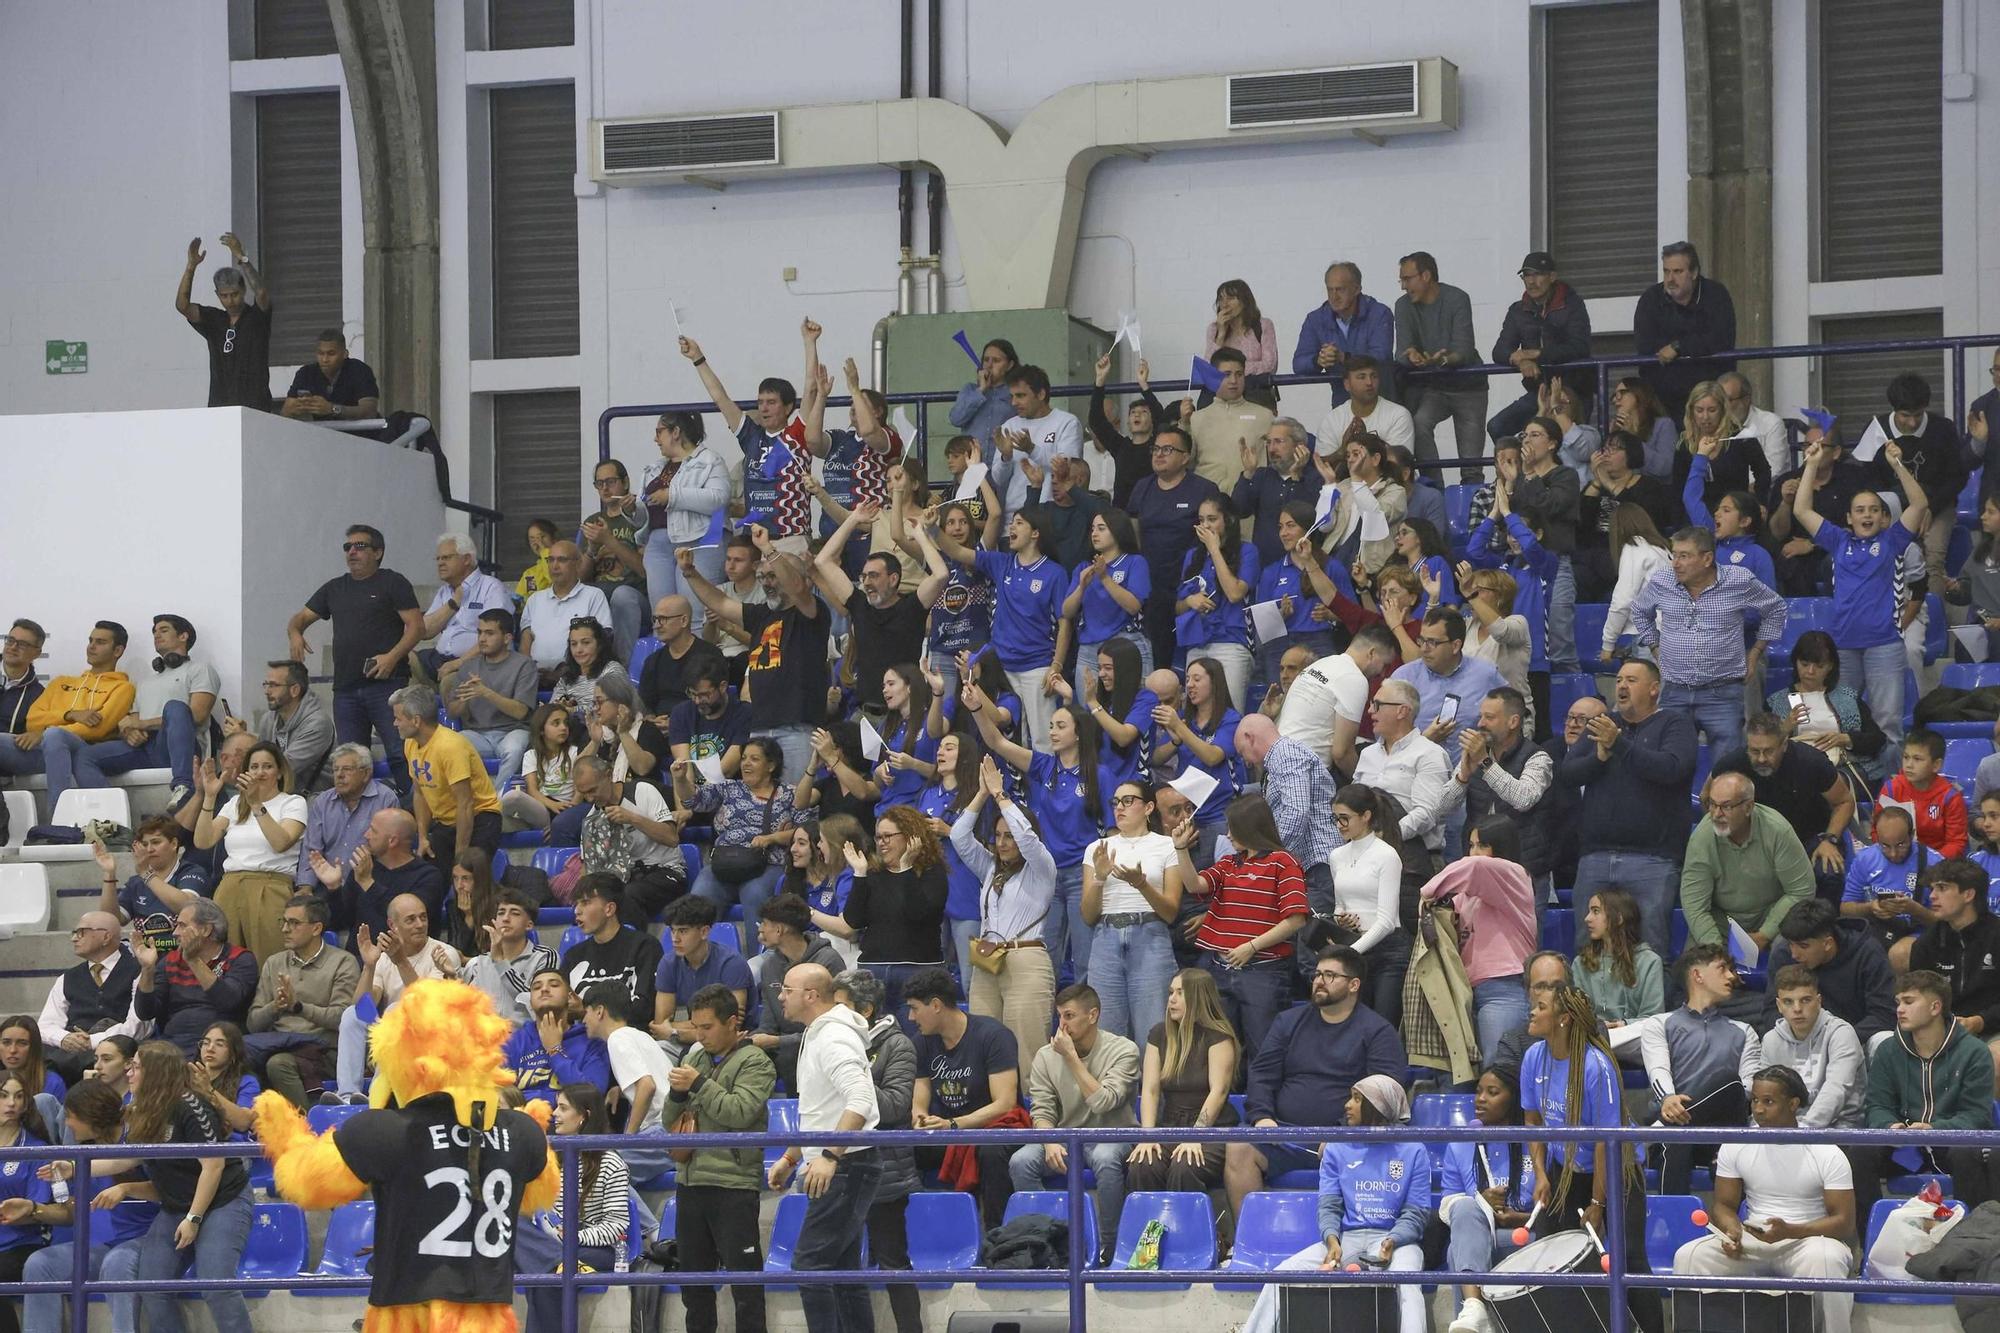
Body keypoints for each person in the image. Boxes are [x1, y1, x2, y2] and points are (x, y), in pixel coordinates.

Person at [1517, 984, 1663, 1333]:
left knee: (1629, 1259)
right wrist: (1541, 1174)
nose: (1532, 1012)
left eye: (1540, 1007)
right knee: (1559, 1258)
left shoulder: (1596, 1066)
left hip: (1617, 1170)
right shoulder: (1533, 1057)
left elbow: (1605, 1142)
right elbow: (1533, 1121)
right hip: (1564, 1169)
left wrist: (1598, 1203)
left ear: (1563, 1019)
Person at [1225, 945, 1406, 1220]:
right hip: (1283, 1136)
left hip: (1349, 1140)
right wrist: (1261, 1117)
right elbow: (1262, 1073)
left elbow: (1383, 1095)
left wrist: (1342, 1133)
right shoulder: (1288, 1022)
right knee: (1239, 1146)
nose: (1319, 981)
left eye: (1330, 975)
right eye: (1318, 974)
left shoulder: (1378, 1031)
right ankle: (1247, 1242)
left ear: (1354, 984)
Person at [1672, 1064, 1855, 1333]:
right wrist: (1731, 1230)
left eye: (1768, 1102)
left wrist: (1791, 1231)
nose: (1757, 1109)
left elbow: (1844, 1222)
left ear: (1793, 1104)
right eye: (1755, 1100)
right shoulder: (1736, 1143)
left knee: (1827, 1261)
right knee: (1689, 1257)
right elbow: (1723, 1205)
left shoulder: (1825, 1151)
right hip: (1753, 1238)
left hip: (1807, 1241)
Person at [1243, 1075, 1429, 1333]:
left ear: (1378, 1106)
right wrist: (1332, 1241)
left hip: (1395, 1242)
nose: (1347, 1105)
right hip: (1346, 1239)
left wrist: (1392, 1241)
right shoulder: (1337, 1147)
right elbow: (1329, 1205)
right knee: (1282, 1274)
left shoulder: (1413, 1150)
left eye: (1356, 1099)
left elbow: (1416, 1212)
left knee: (1407, 1280)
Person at [100, 1041, 259, 1333]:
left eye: (135, 1066)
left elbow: (214, 1166)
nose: (129, 1073)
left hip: (223, 1200)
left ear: (156, 1073)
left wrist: (194, 1219)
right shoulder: (140, 1111)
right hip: (177, 1205)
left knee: (216, 1284)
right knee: (153, 1286)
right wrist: (70, 1167)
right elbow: (121, 1161)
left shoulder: (190, 1105)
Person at [1794, 435, 1929, 749]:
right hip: (1843, 648)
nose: (1867, 515)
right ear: (1848, 518)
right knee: (1841, 722)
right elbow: (1801, 509)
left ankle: (1889, 797)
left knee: (1888, 727)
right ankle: (1851, 786)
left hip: (1884, 646)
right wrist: (1811, 465)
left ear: (1884, 517)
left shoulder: (1893, 541)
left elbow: (1920, 503)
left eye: (1873, 510)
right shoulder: (1838, 541)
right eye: (1859, 510)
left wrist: (1898, 465)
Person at [767, 962, 882, 1333]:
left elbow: (861, 1099)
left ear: (811, 996)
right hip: (843, 1163)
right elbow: (821, 1108)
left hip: (848, 1164)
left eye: (786, 989)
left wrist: (830, 1155)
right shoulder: (818, 1033)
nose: (780, 996)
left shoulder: (833, 1037)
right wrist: (792, 1155)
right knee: (842, 1271)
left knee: (810, 1264)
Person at [1561, 659, 1697, 959]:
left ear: (1653, 689)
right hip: (1595, 856)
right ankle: (1585, 1007)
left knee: (1650, 950)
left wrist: (1618, 745)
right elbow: (1568, 773)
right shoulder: (1603, 724)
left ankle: (1653, 1008)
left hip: (1653, 859)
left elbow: (1672, 769)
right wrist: (1598, 757)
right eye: (1619, 679)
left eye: (1631, 680)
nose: (1621, 685)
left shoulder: (1674, 725)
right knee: (1588, 950)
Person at [665, 984, 774, 1333]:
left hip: (733, 1184)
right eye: (695, 1027)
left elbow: (740, 1112)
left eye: (707, 1027)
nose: (700, 1035)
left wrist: (698, 1085)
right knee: (693, 1285)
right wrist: (676, 1092)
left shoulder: (756, 1061)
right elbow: (670, 1121)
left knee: (745, 1285)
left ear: (731, 1023)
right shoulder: (694, 1057)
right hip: (690, 1182)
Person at [1625, 526, 1788, 757]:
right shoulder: (1663, 580)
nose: (1675, 563)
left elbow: (1776, 608)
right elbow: (1640, 611)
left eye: (1684, 556)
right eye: (1674, 555)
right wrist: (1655, 647)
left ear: (1707, 558)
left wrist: (1756, 652)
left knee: (1726, 768)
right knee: (1671, 768)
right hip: (1674, 691)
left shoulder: (1738, 580)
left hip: (1722, 694)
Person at [682, 534, 830, 782]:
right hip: (758, 727)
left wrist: (768, 549)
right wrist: (689, 572)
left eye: (773, 576)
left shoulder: (812, 613)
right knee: (760, 807)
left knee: (796, 805)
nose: (766, 583)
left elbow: (797, 589)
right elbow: (719, 602)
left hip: (797, 728)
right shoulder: (762, 614)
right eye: (763, 577)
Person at [288, 525, 423, 793]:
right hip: (346, 688)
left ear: (378, 552)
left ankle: (411, 812)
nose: (352, 551)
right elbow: (300, 618)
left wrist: (391, 657)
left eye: (360, 546)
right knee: (351, 760)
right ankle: (361, 818)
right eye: (348, 547)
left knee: (399, 752)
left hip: (387, 684)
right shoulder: (335, 588)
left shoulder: (392, 582)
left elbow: (417, 627)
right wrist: (295, 633)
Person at [1173, 793, 1308, 1061]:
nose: (1228, 834)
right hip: (1219, 970)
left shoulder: (1283, 862)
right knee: (1220, 1052)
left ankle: (1260, 1102)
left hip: (1263, 972)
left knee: (1263, 1052)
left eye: (1233, 827)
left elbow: (1296, 918)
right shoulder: (1229, 864)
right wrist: (1180, 850)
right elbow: (1195, 885)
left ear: (1250, 826)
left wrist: (1252, 946)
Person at [1007, 983, 1138, 1258]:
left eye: (1069, 1016)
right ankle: (1048, 1240)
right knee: (1021, 1161)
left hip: (1112, 1135)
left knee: (1105, 1158)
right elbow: (1041, 1111)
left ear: (1093, 1015)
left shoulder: (1123, 1050)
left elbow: (1103, 1101)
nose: (1062, 1025)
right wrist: (1050, 1138)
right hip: (1065, 1138)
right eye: (1059, 1017)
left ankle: (1108, 1246)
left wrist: (1071, 1057)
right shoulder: (1045, 1056)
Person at [827, 969, 922, 1333]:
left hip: (884, 1170)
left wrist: (854, 1086)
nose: (831, 1015)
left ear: (864, 1010)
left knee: (893, 1260)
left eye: (840, 1007)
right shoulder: (835, 1042)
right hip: (842, 1165)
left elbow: (898, 1105)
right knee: (838, 1261)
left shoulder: (898, 1045)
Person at [16, 1080, 153, 1333]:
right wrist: (35, 1208)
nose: (66, 1124)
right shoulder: (82, 1153)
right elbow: (71, 1210)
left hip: (145, 1239)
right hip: (102, 1245)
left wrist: (127, 1188)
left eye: (70, 1116)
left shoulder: (138, 1140)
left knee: (116, 1263)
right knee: (40, 1263)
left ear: (91, 1115)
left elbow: (168, 1191)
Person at [949, 755, 1059, 1066]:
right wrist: (982, 793)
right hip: (987, 958)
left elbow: (1027, 837)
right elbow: (959, 836)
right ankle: (992, 1113)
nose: (1002, 842)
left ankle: (1032, 1113)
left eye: (1008, 836)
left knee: (1026, 1049)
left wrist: (1001, 795)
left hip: (1026, 958)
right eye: (997, 836)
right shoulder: (989, 868)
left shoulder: (1042, 867)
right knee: (983, 1045)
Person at [42, 614, 214, 810]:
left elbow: (197, 715)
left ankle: (184, 786)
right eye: (155, 631)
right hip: (146, 747)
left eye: (164, 630)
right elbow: (131, 720)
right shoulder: (146, 681)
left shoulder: (200, 669)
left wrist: (141, 724)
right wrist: (129, 731)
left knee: (175, 707)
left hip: (179, 746)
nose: (157, 635)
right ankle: (109, 817)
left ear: (183, 636)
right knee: (85, 756)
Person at [1863, 969, 2000, 1211]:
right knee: (1860, 1152)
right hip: (1905, 1147)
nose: (1900, 1010)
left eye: (1909, 1001)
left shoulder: (1974, 1052)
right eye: (1898, 1002)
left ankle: (1973, 1234)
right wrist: (1889, 1126)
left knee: (1968, 1154)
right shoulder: (1887, 1051)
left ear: (1935, 1007)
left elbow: (1977, 1116)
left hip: (1952, 1144)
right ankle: (1867, 1238)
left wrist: (1934, 1129)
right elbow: (1877, 1106)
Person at [905, 966, 1021, 1229]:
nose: (911, 1017)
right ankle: (919, 1232)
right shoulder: (921, 1042)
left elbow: (1005, 1103)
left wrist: (954, 1124)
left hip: (992, 1130)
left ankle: (997, 1235)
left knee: (991, 1152)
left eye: (914, 1008)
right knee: (897, 1148)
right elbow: (919, 1098)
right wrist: (919, 1119)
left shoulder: (993, 1035)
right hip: (946, 1131)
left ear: (935, 1005)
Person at [514, 1083, 632, 1333]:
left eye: (563, 1108)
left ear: (583, 1116)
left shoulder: (610, 1162)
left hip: (590, 1247)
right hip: (548, 1243)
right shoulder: (547, 1156)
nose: (554, 1113)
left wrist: (573, 1238)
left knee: (545, 1275)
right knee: (512, 1222)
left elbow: (617, 1225)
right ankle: (554, 1260)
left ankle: (554, 1261)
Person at [1641, 944, 1758, 1194]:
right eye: (1722, 969)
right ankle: (1673, 1230)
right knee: (1677, 1139)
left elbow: (1747, 1090)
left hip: (1724, 1129)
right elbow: (1658, 1069)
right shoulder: (1659, 1024)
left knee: (1730, 1081)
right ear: (1697, 975)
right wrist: (1668, 1099)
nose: (1732, 977)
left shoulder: (1744, 1031)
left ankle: (1659, 1129)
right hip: (1678, 1127)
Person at [325, 893, 463, 1103]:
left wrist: (400, 961)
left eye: (423, 917)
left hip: (432, 1042)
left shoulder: (443, 953)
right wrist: (369, 966)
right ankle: (347, 1095)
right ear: (393, 925)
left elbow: (428, 1007)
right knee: (351, 1015)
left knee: (396, 1010)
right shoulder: (384, 957)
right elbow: (363, 1009)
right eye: (411, 919)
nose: (420, 924)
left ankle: (378, 1096)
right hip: (393, 1041)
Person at [1712, 712, 1856, 903]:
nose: (1761, 759)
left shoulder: (1810, 762)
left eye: (1768, 751)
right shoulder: (1733, 763)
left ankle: (1826, 929)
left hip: (1810, 839)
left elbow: (1844, 801)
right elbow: (1709, 797)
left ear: (1784, 745)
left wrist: (1830, 839)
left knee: (1830, 870)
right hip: (1757, 843)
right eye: (1754, 751)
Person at [1436, 1066, 1535, 1333]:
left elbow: (1557, 1206)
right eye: (1478, 1091)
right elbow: (1447, 1207)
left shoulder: (1536, 1142)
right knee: (1465, 1208)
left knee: (1456, 1252)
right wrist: (1480, 1202)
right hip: (1483, 1234)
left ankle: (1476, 1316)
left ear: (1513, 1099)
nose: (1480, 1098)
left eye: (1492, 1093)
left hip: (1531, 1235)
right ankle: (1475, 1309)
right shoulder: (1462, 1143)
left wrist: (1519, 1218)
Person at [1429, 820, 1541, 1056]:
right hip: (1465, 991)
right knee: (1465, 1078)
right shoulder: (1465, 896)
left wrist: (1427, 892)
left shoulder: (1516, 876)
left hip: (1504, 989)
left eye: (1483, 845)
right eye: (1471, 845)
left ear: (1501, 847)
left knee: (1498, 1070)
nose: (1474, 853)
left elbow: (1477, 866)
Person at [1082, 781, 1181, 1044]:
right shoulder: (1096, 848)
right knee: (1107, 1034)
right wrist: (1100, 879)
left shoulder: (1167, 846)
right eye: (1116, 802)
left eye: (1128, 801)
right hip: (1105, 939)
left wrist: (1142, 884)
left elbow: (1171, 911)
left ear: (1149, 807)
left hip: (1150, 935)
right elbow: (1088, 915)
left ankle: (1150, 1087)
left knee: (1153, 1032)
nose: (1119, 808)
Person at [1856, 372, 1969, 601]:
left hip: (1937, 506)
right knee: (1883, 557)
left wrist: (1931, 507)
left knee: (1933, 559)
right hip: (1890, 509)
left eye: (1918, 415)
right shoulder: (1876, 429)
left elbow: (1957, 477)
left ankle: (1934, 620)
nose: (1912, 422)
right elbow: (1866, 478)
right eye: (1906, 415)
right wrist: (1887, 512)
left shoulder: (1942, 429)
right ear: (1894, 410)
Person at [243, 893, 359, 1110]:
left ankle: (307, 1125)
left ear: (316, 928)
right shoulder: (274, 963)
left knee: (278, 1064)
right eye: (284, 922)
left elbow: (341, 1018)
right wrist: (275, 1006)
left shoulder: (342, 962)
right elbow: (253, 1023)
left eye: (294, 923)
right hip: (278, 1043)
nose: (285, 929)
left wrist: (299, 1007)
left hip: (323, 1049)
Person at [1680, 770, 1816, 950]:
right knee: (1697, 961)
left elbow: (1802, 890)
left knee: (1789, 948)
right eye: (1713, 804)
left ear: (1748, 807)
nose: (1716, 814)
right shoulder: (1702, 838)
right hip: (1722, 920)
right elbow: (1694, 905)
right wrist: (1715, 950)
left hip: (1774, 916)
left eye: (1726, 806)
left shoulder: (1777, 830)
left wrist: (1765, 933)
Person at [673, 741, 793, 943]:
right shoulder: (728, 788)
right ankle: (696, 961)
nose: (746, 764)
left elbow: (804, 831)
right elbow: (693, 801)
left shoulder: (789, 794)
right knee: (697, 902)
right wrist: (680, 779)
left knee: (755, 895)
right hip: (724, 863)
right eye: (744, 758)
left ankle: (758, 964)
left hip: (768, 863)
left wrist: (772, 838)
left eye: (754, 759)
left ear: (771, 765)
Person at [1125, 424, 1222, 670]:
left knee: (1188, 665)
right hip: (1151, 587)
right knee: (1156, 659)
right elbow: (1133, 533)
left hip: (1188, 585)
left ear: (1185, 457)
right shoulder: (1142, 487)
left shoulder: (1203, 488)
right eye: (1156, 449)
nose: (1159, 454)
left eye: (1167, 449)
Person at [0, 621, 133, 788]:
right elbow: (33, 720)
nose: (91, 646)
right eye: (90, 640)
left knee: (55, 735)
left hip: (81, 751)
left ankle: (59, 812)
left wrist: (46, 732)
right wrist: (69, 714)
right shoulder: (60, 682)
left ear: (118, 651)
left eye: (100, 642)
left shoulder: (122, 687)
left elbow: (98, 728)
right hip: (42, 752)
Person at [390, 683, 502, 871]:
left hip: (480, 817)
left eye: (398, 718)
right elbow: (420, 793)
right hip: (446, 821)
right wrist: (423, 838)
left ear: (416, 721)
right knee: (427, 878)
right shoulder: (410, 743)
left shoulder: (450, 747)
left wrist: (460, 857)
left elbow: (465, 803)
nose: (394, 724)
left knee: (465, 879)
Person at [639, 410, 734, 631]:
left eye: (659, 432)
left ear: (676, 432)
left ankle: (700, 665)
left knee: (696, 612)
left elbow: (719, 499)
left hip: (701, 540)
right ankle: (667, 664)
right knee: (661, 615)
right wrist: (631, 508)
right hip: (658, 543)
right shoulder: (655, 467)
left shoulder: (710, 460)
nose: (655, 439)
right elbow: (645, 511)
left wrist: (672, 496)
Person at [1327, 783, 1412, 1026]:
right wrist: (1340, 919)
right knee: (1353, 1025)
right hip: (1355, 945)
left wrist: (1350, 952)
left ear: (1366, 816)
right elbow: (1340, 907)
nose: (1339, 825)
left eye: (1345, 818)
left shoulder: (1386, 855)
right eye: (1336, 819)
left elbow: (1386, 921)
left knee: (1381, 1025)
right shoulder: (1337, 856)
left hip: (1388, 951)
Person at [1488, 251, 1593, 442]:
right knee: (1497, 427)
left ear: (1552, 277)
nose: (1531, 281)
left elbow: (1579, 347)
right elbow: (1499, 351)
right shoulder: (1517, 310)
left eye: (1538, 274)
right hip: (1540, 392)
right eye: (1526, 275)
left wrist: (1537, 354)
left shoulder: (1573, 304)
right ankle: (1523, 470)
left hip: (1574, 391)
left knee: (1565, 445)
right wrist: (1521, 362)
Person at [1768, 629, 1890, 791]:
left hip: (1845, 767)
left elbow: (1877, 739)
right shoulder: (1777, 702)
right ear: (1795, 662)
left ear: (1830, 666)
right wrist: (1784, 729)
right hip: (1795, 768)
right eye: (1804, 664)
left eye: (1819, 666)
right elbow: (1762, 747)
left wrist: (1846, 739)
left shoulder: (1848, 698)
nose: (1810, 671)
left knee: (1827, 783)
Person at [309, 806, 447, 948]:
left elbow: (403, 921)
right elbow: (340, 921)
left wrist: (368, 883)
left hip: (406, 960)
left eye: (373, 831)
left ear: (392, 841)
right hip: (360, 960)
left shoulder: (427, 877)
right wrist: (334, 888)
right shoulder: (365, 868)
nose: (366, 835)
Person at [1393, 250, 1486, 461]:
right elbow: (1401, 352)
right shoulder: (1402, 305)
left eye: (1407, 279)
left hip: (1469, 386)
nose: (1403, 286)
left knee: (1470, 461)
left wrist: (1442, 360)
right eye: (1401, 280)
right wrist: (1412, 357)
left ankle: (1471, 491)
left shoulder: (1457, 298)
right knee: (1418, 424)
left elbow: (1464, 349)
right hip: (1434, 387)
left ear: (1426, 276)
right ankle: (1435, 487)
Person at [1769, 899, 1899, 1048]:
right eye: (1790, 944)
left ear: (1827, 943)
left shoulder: (1868, 953)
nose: (1794, 954)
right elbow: (1771, 1009)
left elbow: (1883, 1014)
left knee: (1883, 1039)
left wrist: (1836, 1040)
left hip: (1855, 1040)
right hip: (1799, 1040)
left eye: (1803, 946)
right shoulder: (1782, 954)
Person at [1351, 679, 1451, 871]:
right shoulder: (1367, 754)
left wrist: (1382, 836)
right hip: (1365, 858)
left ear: (1402, 711)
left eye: (1377, 704)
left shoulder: (1430, 754)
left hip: (1415, 863)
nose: (1370, 711)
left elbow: (1427, 813)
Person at [35, 910, 141, 1089]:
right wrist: (65, 1038)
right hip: (69, 1055)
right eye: (74, 933)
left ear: (105, 936)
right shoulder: (67, 978)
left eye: (81, 932)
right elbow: (45, 1025)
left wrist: (93, 1041)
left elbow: (139, 1025)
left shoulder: (137, 970)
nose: (74, 938)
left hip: (117, 1051)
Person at [1909, 858, 2000, 1064]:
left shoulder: (1997, 936)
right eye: (1932, 889)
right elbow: (1917, 998)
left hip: (1993, 1028)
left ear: (1968, 894)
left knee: (1996, 1059)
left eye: (1942, 888)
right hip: (1943, 1030)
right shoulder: (1926, 944)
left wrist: (1980, 1021)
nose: (1932, 896)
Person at [1632, 242, 1736, 420]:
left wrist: (1679, 346)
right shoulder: (1650, 299)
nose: (1670, 279)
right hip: (1665, 401)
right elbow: (1646, 347)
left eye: (1678, 272)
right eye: (1666, 271)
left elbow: (1721, 338)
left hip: (1710, 398)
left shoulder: (1716, 295)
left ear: (1694, 273)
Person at [435, 608, 536, 791]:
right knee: (449, 746)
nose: (482, 639)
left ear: (507, 638)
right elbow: (452, 712)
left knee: (513, 750)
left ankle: (497, 800)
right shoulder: (469, 666)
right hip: (477, 734)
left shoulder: (523, 665)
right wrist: (464, 699)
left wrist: (486, 692)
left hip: (512, 731)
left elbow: (521, 711)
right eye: (480, 632)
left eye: (489, 633)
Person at [1760, 964, 1866, 1129]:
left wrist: (1805, 1130)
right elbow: (1766, 1095)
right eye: (1788, 1002)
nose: (1797, 1009)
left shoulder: (1840, 1033)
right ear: (1779, 1006)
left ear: (1818, 1001)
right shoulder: (1771, 1040)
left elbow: (1837, 1088)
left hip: (1841, 1128)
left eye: (1805, 1000)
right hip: (1788, 1129)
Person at [175, 232, 271, 410]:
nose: (230, 301)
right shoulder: (215, 319)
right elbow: (183, 306)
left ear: (243, 291)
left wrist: (241, 257)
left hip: (256, 407)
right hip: (220, 407)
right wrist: (191, 267)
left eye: (234, 294)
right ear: (217, 295)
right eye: (224, 296)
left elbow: (262, 293)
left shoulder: (257, 318)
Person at [558, 872, 664, 1023]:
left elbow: (643, 1011)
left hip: (629, 1040)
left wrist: (584, 1011)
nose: (577, 910)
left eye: (586, 902)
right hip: (583, 1041)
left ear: (609, 909)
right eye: (576, 904)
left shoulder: (645, 947)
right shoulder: (573, 956)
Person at [1841, 805, 1935, 972]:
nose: (1893, 853)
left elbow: (1945, 922)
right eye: (1885, 845)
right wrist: (1871, 907)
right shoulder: (1865, 859)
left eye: (1900, 845)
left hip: (1918, 931)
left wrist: (1914, 909)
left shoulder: (1932, 862)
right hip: (1877, 928)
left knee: (1900, 954)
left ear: (1912, 835)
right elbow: (1846, 909)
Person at [650, 896, 753, 1047]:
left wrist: (675, 1030)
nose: (675, 938)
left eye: (683, 931)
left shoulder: (731, 963)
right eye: (672, 930)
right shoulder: (668, 963)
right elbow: (660, 1025)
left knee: (697, 1048)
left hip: (732, 1046)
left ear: (704, 932)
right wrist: (706, 1026)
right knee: (657, 1048)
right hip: (684, 1043)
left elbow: (729, 1028)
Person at [293, 743, 400, 888]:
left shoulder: (385, 799)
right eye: (335, 769)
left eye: (347, 769)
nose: (339, 775)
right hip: (328, 885)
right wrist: (306, 887)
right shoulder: (322, 802)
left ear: (366, 773)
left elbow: (390, 849)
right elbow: (312, 850)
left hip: (371, 884)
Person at [501, 967, 610, 1108]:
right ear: (530, 1001)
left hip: (573, 1128)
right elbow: (500, 1096)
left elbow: (591, 1097)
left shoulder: (591, 1041)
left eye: (554, 985)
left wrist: (554, 1050)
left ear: (570, 997)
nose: (544, 989)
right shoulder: (514, 1042)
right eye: (536, 987)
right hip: (522, 1125)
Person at [1062, 510, 1153, 677]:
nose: (1094, 533)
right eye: (1093, 529)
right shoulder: (1084, 567)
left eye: (1101, 528)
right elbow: (1066, 611)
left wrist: (1104, 578)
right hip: (1089, 649)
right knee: (1088, 703)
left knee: (1131, 702)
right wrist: (1081, 587)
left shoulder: (1135, 562)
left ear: (1117, 530)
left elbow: (1133, 606)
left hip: (1126, 643)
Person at [577, 459, 652, 662]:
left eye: (610, 481)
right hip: (599, 592)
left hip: (635, 594)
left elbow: (645, 570)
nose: (604, 488)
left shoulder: (640, 516)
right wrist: (592, 549)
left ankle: (620, 668)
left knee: (622, 595)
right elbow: (579, 580)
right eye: (599, 483)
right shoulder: (592, 521)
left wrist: (608, 540)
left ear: (625, 482)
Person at [1293, 260, 1395, 408]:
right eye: (1330, 290)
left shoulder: (1379, 313)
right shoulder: (1315, 319)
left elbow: (1382, 355)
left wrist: (1344, 357)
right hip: (1342, 405)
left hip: (1382, 401)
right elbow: (1298, 364)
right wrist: (1318, 360)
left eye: (1340, 289)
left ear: (1357, 289)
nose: (1334, 296)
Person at [224, 659, 334, 792]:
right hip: (279, 795)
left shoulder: (317, 724)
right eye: (266, 684)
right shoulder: (269, 719)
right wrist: (244, 737)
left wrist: (246, 740)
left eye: (273, 685)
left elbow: (283, 766)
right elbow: (264, 755)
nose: (267, 691)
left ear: (294, 690)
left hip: (315, 801)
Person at [417, 534, 511, 681]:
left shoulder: (491, 587)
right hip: (440, 659)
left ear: (466, 559)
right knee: (407, 660)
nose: (440, 563)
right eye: (438, 558)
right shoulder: (444, 591)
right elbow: (424, 631)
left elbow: (495, 637)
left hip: (475, 662)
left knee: (450, 681)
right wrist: (453, 602)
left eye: (446, 558)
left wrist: (459, 663)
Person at [1189, 348, 1277, 495]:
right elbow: (1186, 462)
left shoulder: (1265, 416)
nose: (1234, 381)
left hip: (1250, 501)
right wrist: (1184, 424)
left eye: (1239, 374)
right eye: (1226, 375)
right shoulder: (1196, 418)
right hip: (1207, 503)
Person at [459, 889, 557, 1021]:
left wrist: (500, 962)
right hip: (487, 1037)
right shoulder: (480, 962)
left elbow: (537, 1001)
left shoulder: (545, 956)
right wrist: (451, 975)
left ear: (529, 925)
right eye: (501, 913)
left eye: (515, 913)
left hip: (525, 1037)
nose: (505, 918)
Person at [1575, 889, 1665, 1030]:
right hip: (1594, 1038)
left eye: (1596, 911)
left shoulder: (1649, 961)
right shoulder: (1581, 963)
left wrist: (1625, 1025)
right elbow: (1578, 1015)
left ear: (1618, 918)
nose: (1587, 918)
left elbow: (1653, 1018)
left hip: (1636, 1037)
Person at [1882, 727, 1970, 858]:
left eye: (1917, 759)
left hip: (1938, 864)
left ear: (1936, 765)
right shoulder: (1891, 789)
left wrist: (1930, 863)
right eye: (1906, 757)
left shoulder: (1950, 797)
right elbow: (1877, 832)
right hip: (1895, 858)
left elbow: (1956, 843)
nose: (1909, 765)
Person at [636, 594, 726, 721]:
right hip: (660, 728)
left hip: (699, 723)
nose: (657, 625)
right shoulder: (653, 660)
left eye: (663, 619)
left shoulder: (710, 655)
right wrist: (651, 719)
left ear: (684, 620)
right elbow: (646, 704)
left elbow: (716, 702)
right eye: (655, 619)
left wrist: (677, 724)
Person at [281, 326, 379, 421]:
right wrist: (298, 407)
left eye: (331, 354)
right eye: (320, 353)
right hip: (321, 434)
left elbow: (369, 411)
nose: (325, 359)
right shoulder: (305, 373)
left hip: (361, 435)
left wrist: (332, 409)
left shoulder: (359, 370)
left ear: (345, 354)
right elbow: (284, 412)